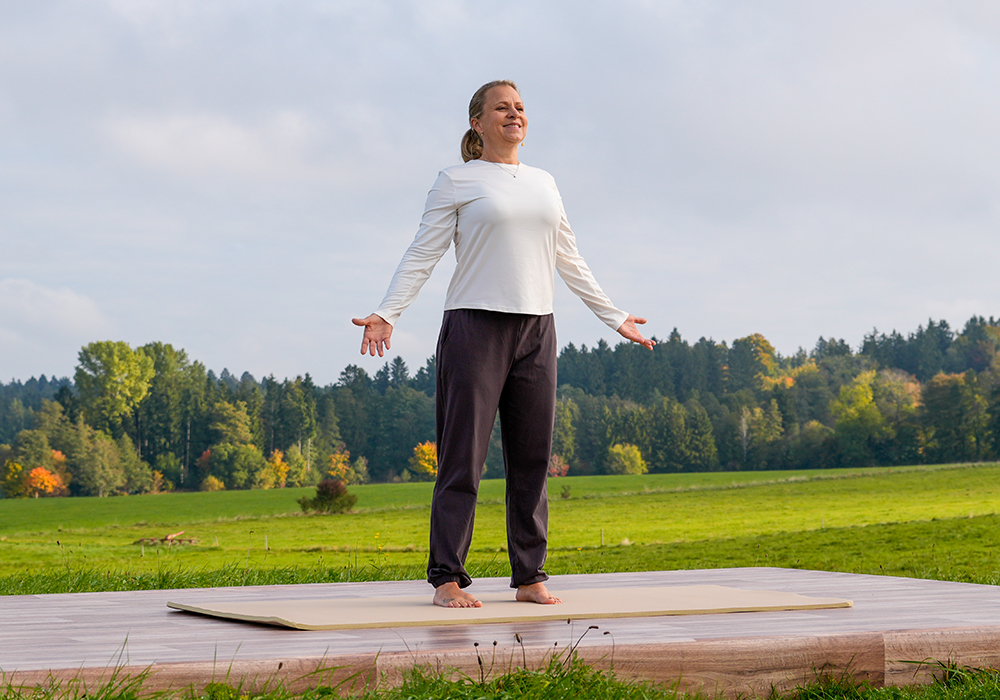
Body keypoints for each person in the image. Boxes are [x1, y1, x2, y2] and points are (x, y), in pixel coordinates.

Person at [353, 80, 654, 609]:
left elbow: (569, 257)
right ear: (478, 122)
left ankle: (530, 575)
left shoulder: (544, 183)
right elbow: (422, 252)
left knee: (532, 459)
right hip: (475, 329)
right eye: (502, 107)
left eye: (520, 107)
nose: (514, 114)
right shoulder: (456, 180)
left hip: (537, 329)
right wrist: (387, 312)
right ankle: (447, 577)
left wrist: (614, 316)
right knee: (462, 459)